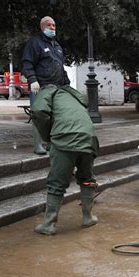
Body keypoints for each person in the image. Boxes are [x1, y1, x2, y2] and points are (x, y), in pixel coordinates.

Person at [31, 85, 99, 236]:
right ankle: (88, 218)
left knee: (56, 183)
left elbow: (38, 111)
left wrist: (47, 137)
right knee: (87, 179)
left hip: (65, 140)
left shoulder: (48, 91)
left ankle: (48, 224)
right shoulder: (73, 96)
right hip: (89, 139)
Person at [22, 16, 70, 155]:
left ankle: (50, 144)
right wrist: (32, 80)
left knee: (55, 116)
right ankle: (38, 145)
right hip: (40, 87)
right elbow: (27, 62)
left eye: (54, 25)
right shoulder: (35, 43)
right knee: (39, 115)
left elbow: (60, 66)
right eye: (49, 25)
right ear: (42, 27)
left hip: (57, 87)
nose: (52, 28)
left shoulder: (57, 46)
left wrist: (66, 83)